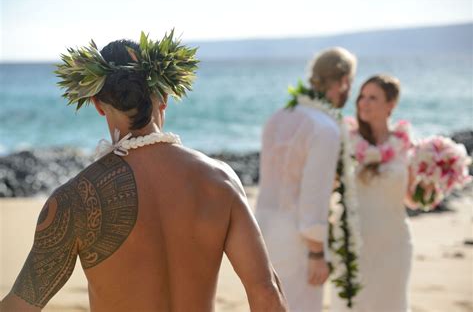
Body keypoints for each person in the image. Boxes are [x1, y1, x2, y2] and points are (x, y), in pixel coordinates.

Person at [0, 33, 287, 312]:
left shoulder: (76, 199)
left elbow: (22, 305)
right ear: (164, 97)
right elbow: (266, 294)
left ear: (98, 104)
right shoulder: (220, 181)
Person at [255, 47, 357, 311]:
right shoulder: (324, 128)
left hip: (263, 231)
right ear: (344, 80)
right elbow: (313, 195)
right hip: (298, 238)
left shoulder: (278, 117)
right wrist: (316, 252)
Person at [332, 74, 413, 311]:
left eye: (373, 98)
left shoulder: (405, 145)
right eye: (361, 97)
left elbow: (412, 198)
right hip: (353, 242)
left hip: (394, 243)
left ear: (391, 105)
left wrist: (430, 189)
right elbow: (328, 185)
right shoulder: (345, 141)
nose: (363, 103)